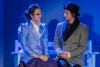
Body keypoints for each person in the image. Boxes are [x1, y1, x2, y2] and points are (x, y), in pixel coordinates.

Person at [54, 2, 88, 67]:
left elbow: (82, 47)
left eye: (67, 13)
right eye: (64, 12)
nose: (64, 15)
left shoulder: (83, 28)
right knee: (62, 65)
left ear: (73, 14)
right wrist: (59, 51)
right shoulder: (59, 26)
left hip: (76, 59)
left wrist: (69, 54)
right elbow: (56, 42)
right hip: (61, 58)